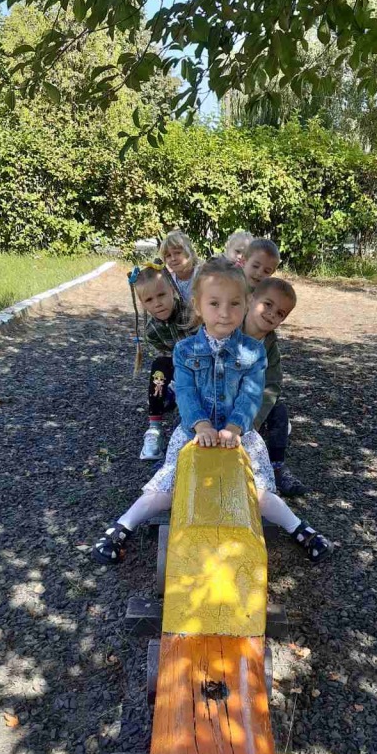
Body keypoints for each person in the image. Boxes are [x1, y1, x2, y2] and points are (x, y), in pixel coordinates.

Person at [91, 257, 332, 565]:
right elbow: (186, 393)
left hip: (239, 434)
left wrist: (235, 427)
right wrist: (201, 425)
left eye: (234, 304)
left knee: (257, 491)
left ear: (246, 304)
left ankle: (301, 530)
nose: (225, 313)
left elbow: (251, 394)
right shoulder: (184, 350)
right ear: (198, 305)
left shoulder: (254, 351)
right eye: (214, 303)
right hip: (195, 432)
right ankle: (121, 527)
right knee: (169, 486)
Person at [244, 277, 306, 496]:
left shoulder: (270, 347)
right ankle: (174, 461)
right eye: (268, 304)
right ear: (250, 299)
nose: (272, 314)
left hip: (250, 404)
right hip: (221, 395)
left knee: (279, 411)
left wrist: (254, 419)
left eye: (280, 313)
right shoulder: (228, 328)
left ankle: (277, 466)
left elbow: (272, 386)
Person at [128, 263, 195, 461]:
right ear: (142, 304)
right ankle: (154, 428)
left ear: (172, 290)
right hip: (178, 369)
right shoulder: (152, 331)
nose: (157, 303)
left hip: (202, 366)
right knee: (159, 367)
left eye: (161, 295)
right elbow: (166, 354)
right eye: (149, 299)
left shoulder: (191, 314)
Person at [159, 229, 199, 302]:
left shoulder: (202, 274)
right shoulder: (167, 280)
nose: (173, 258)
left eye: (177, 253)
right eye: (168, 255)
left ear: (188, 252)